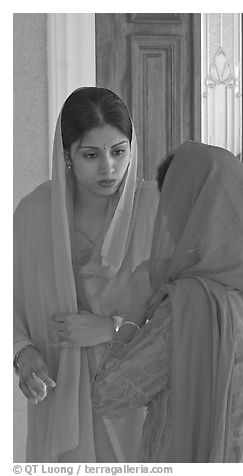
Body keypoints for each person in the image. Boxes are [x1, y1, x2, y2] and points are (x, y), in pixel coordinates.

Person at [92, 140, 243, 463]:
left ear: (195, 215)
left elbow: (107, 395)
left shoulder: (195, 307)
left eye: (170, 212)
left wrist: (133, 315)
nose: (167, 227)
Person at [13, 87, 159, 462]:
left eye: (119, 151)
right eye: (91, 155)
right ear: (67, 155)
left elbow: (186, 308)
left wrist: (111, 327)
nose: (109, 168)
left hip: (137, 398)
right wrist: (24, 354)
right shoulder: (32, 215)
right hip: (58, 396)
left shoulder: (157, 210)